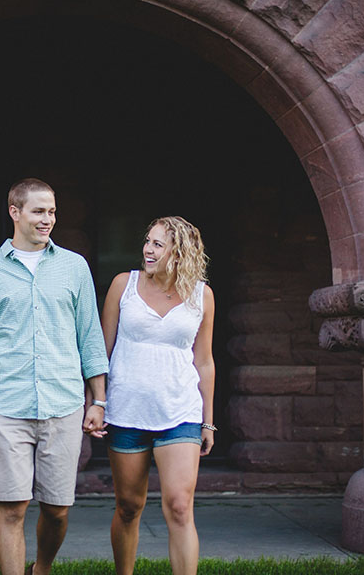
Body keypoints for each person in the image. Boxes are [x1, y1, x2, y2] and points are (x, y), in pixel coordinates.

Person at [0, 178, 109, 575]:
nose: (48, 219)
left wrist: (99, 400)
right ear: (14, 212)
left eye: (52, 211)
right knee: (12, 508)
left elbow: (90, 335)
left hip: (64, 404)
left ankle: (43, 568)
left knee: (57, 510)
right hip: (6, 405)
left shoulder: (74, 267)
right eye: (39, 211)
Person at [101, 216, 216, 575]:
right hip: (126, 410)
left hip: (180, 411)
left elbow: (205, 361)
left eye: (158, 244)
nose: (148, 250)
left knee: (180, 506)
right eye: (147, 242)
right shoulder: (124, 285)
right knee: (129, 506)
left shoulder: (202, 295)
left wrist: (208, 422)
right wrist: (97, 401)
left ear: (179, 253)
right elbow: (101, 351)